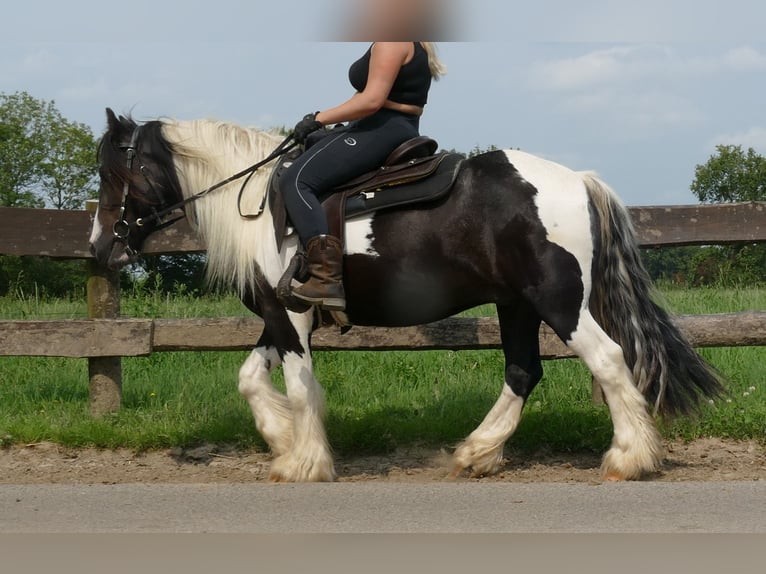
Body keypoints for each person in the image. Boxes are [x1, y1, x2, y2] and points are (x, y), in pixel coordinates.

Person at [281, 42, 446, 312]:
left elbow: (371, 100)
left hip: (382, 127)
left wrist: (318, 118)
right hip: (387, 125)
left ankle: (325, 278)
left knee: (296, 181)